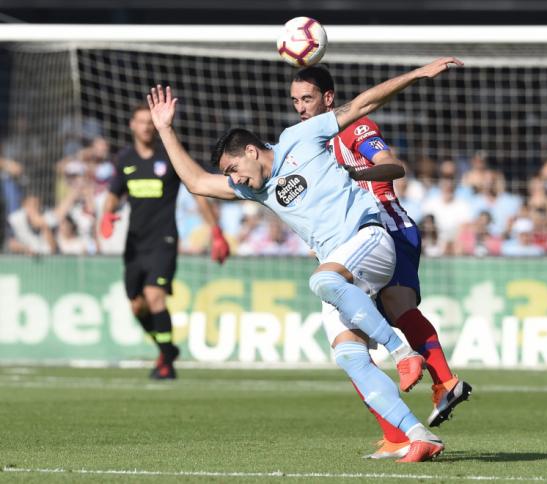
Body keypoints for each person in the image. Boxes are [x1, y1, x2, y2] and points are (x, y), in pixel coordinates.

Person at [147, 57, 464, 462]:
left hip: (369, 240)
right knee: (350, 357)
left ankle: (403, 353)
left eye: (235, 170)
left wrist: (417, 74)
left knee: (322, 281)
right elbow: (194, 181)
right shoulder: (254, 190)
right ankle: (416, 435)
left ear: (250, 150)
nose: (235, 180)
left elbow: (362, 105)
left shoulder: (299, 137)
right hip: (343, 266)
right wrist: (165, 129)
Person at [289, 65, 471, 459]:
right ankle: (396, 431)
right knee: (351, 341)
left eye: (307, 99)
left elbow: (392, 165)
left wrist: (354, 171)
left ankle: (444, 381)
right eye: (295, 101)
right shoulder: (306, 147)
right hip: (346, 242)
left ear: (328, 99)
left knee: (395, 307)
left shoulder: (354, 129)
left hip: (385, 225)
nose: (301, 108)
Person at [99, 103, 231, 380]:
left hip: (164, 240)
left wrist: (216, 231)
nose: (147, 126)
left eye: (150, 122)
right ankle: (166, 348)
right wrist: (107, 216)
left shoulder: (168, 156)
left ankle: (166, 365)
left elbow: (198, 191)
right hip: (135, 243)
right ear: (132, 126)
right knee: (137, 305)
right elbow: (113, 194)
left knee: (154, 295)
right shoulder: (124, 159)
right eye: (141, 122)